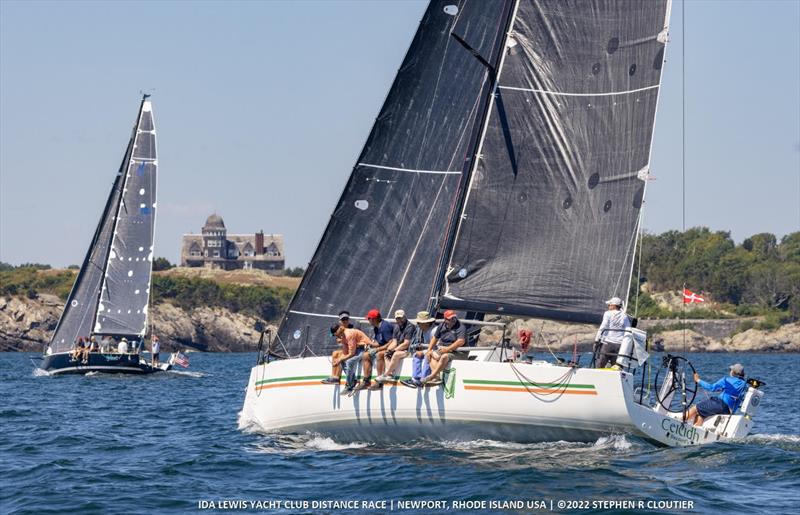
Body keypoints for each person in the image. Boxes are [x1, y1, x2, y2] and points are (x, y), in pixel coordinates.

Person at [321, 326, 371, 395]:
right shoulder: (343, 337)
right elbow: (345, 353)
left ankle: (349, 386)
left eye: (334, 335)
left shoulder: (348, 334)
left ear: (337, 332)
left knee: (349, 362)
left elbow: (352, 353)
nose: (335, 337)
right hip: (358, 349)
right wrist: (338, 360)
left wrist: (340, 359)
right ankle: (353, 380)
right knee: (342, 361)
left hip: (365, 349)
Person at [354, 309, 394, 391]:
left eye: (369, 319)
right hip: (383, 346)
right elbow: (378, 342)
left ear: (374, 319)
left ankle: (379, 382)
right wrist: (370, 345)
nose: (368, 320)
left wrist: (377, 349)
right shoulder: (376, 327)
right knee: (365, 355)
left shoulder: (385, 327)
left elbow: (391, 342)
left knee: (379, 354)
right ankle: (366, 381)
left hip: (391, 347)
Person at [423, 310, 466, 385]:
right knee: (430, 354)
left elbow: (460, 341)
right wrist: (429, 350)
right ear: (445, 319)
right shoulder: (441, 325)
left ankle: (432, 376)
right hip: (444, 349)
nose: (453, 320)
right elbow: (435, 338)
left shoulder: (461, 327)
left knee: (444, 357)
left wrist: (447, 349)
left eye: (454, 318)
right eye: (450, 319)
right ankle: (436, 377)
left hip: (459, 352)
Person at [374, 310, 416, 387]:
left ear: (404, 317)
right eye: (397, 318)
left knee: (395, 354)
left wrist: (394, 350)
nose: (399, 320)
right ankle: (390, 374)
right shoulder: (396, 327)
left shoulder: (410, 327)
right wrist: (389, 350)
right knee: (386, 352)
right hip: (400, 348)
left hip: (409, 350)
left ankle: (386, 374)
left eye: (400, 318)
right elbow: (394, 342)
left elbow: (406, 344)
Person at [400, 311, 437, 388]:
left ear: (426, 323)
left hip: (437, 351)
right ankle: (416, 379)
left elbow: (437, 346)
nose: (418, 324)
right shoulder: (425, 330)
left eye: (419, 323)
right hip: (431, 350)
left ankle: (423, 379)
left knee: (427, 355)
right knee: (416, 355)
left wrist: (424, 351)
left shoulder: (434, 331)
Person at [594, 297, 631, 368]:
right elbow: (628, 330)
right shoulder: (624, 316)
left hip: (608, 344)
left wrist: (596, 341)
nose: (608, 306)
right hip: (619, 345)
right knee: (616, 367)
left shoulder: (607, 313)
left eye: (610, 305)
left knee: (600, 365)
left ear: (614, 305)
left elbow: (603, 327)